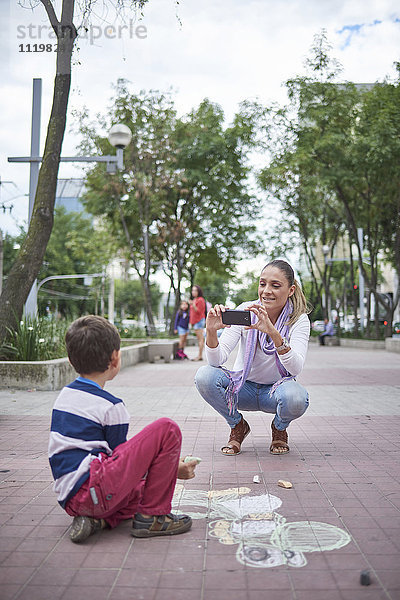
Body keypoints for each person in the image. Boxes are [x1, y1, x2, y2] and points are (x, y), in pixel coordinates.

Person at [48, 315, 198, 543]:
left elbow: (120, 466)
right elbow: (126, 466)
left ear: (70, 359)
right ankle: (153, 518)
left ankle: (96, 520)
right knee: (167, 429)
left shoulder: (64, 397)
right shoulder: (111, 406)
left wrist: (162, 470)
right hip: (94, 488)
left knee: (145, 488)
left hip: (71, 499)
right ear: (116, 358)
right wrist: (172, 469)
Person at [195, 259, 310, 456]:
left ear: (290, 290)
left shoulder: (298, 319)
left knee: (296, 398)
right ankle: (237, 425)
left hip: (274, 393)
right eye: (262, 283)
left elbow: (295, 369)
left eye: (275, 285)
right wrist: (211, 332)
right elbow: (216, 361)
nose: (266, 291)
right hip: (243, 388)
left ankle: (279, 428)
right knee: (205, 376)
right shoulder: (246, 311)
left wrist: (273, 333)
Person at [189, 284, 206, 362]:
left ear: (198, 291)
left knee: (200, 339)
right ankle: (199, 355)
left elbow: (199, 311)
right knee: (199, 339)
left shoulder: (200, 300)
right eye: (192, 290)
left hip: (199, 320)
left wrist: (193, 305)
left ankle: (199, 356)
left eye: (195, 290)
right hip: (195, 321)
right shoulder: (194, 300)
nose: (193, 292)